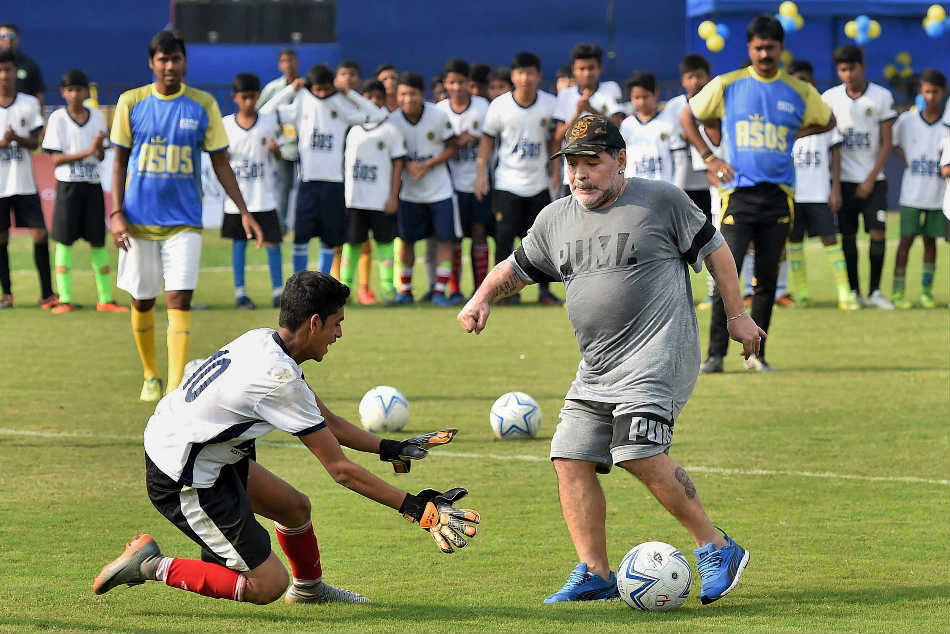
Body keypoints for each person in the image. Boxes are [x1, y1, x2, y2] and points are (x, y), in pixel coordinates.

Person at [457, 114, 757, 605]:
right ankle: (595, 572)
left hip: (658, 357)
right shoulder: (556, 218)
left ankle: (717, 546)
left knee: (638, 450)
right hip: (596, 369)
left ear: (621, 161)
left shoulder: (660, 199)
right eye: (572, 164)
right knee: (569, 456)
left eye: (591, 163)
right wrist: (482, 297)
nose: (579, 175)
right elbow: (519, 266)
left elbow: (718, 252)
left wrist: (739, 317)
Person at [92, 270, 479, 605]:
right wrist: (418, 510)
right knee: (267, 585)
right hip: (182, 473)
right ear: (314, 323)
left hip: (202, 449)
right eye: (336, 323)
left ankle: (308, 590)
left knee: (294, 508)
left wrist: (388, 447)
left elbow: (326, 420)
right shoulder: (278, 380)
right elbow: (341, 471)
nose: (339, 333)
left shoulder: (265, 342)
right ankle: (149, 564)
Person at [109, 31, 263, 402]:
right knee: (143, 300)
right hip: (138, 222)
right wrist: (116, 213)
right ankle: (150, 375)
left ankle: (175, 390)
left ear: (184, 62)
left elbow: (221, 162)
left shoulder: (202, 104)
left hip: (185, 222)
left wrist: (244, 210)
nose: (169, 66)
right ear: (152, 63)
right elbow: (118, 161)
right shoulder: (131, 102)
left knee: (179, 300)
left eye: (175, 58)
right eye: (162, 59)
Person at [681, 15, 834, 373]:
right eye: (758, 47)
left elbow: (828, 121)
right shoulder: (729, 84)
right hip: (738, 194)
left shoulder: (798, 90)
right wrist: (709, 156)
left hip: (779, 196)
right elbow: (687, 117)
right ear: (750, 48)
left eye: (770, 47)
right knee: (726, 274)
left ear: (780, 48)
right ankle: (715, 356)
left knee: (766, 280)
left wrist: (796, 132)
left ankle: (755, 356)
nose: (764, 53)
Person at [259, 64, 385, 276]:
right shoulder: (302, 100)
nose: (322, 94)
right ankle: (298, 282)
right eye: (317, 89)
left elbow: (376, 116)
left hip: (334, 183)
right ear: (310, 87)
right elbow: (264, 111)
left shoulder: (340, 103)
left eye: (327, 89)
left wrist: (350, 93)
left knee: (331, 239)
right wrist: (292, 89)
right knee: (301, 239)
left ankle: (324, 283)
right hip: (308, 182)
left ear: (333, 87)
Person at [475, 51, 562, 306]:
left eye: (530, 73)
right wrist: (481, 173)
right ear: (513, 76)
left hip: (538, 183)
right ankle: (502, 294)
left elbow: (552, 142)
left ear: (538, 76)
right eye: (521, 73)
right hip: (507, 182)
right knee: (504, 238)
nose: (525, 78)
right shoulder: (499, 105)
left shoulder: (549, 104)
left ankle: (545, 291)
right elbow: (488, 140)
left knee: (543, 239)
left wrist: (555, 173)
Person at [41, 69, 127, 314]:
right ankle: (65, 298)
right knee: (64, 242)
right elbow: (55, 159)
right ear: (63, 93)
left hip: (92, 186)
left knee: (98, 242)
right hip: (68, 186)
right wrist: (89, 150)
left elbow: (101, 155)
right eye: (70, 90)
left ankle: (106, 298)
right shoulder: (58, 118)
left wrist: (97, 149)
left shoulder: (98, 117)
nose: (75, 94)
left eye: (79, 89)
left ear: (86, 91)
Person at [822, 45, 897, 309]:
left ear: (862, 67)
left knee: (878, 232)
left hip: (874, 181)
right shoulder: (829, 98)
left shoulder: (881, 97)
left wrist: (869, 179)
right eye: (843, 69)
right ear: (838, 71)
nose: (848, 74)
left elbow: (887, 144)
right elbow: (827, 142)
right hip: (842, 183)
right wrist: (834, 187)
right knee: (848, 236)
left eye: (852, 68)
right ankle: (853, 291)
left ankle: (875, 291)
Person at [781, 60, 855, 310]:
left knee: (830, 240)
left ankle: (845, 292)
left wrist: (835, 188)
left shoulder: (823, 111)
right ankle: (802, 293)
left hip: (819, 192)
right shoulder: (784, 113)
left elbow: (835, 153)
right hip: (792, 193)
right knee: (795, 243)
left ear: (813, 82)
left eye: (806, 79)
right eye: (797, 79)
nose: (802, 83)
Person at [386, 71, 459, 306]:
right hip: (408, 192)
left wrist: (427, 165)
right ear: (397, 96)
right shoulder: (392, 121)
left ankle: (439, 291)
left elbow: (452, 147)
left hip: (440, 190)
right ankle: (405, 291)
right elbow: (389, 155)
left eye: (413, 94)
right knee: (406, 241)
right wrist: (408, 165)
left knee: (445, 240)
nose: (408, 99)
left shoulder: (437, 116)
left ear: (422, 94)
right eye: (404, 94)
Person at [222, 73, 285, 310]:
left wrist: (275, 150)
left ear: (258, 96)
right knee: (239, 244)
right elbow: (219, 159)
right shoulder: (226, 124)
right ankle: (241, 293)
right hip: (237, 200)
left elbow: (279, 157)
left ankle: (278, 291)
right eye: (243, 97)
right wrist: (223, 156)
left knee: (273, 244)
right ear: (235, 97)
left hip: (264, 196)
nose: (248, 102)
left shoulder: (268, 121)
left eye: (252, 97)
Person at [341, 79, 406, 304]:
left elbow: (399, 164)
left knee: (386, 244)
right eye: (369, 98)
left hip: (381, 201)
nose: (374, 102)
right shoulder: (351, 129)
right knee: (352, 244)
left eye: (378, 98)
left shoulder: (390, 130)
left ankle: (388, 291)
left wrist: (393, 196)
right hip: (354, 200)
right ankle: (344, 292)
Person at [0, 49, 55, 310]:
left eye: (8, 70)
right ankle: (7, 295)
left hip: (24, 182)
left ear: (15, 72)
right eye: (0, 70)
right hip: (0, 184)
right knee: (1, 239)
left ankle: (47, 294)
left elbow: (36, 142)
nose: (4, 75)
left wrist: (17, 139)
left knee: (40, 235)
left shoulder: (28, 103)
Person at [890, 68, 949, 309]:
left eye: (935, 92)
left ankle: (926, 291)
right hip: (912, 193)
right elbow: (892, 144)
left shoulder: (947, 125)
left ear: (943, 92)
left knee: (930, 243)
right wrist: (906, 157)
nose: (930, 96)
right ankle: (898, 291)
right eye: (926, 91)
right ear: (920, 92)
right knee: (905, 241)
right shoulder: (907, 120)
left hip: (937, 195)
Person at [438, 58, 491, 297]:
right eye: (452, 82)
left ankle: (481, 287)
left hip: (478, 182)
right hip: (451, 184)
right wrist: (454, 142)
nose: (457, 87)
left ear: (469, 83)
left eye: (461, 82)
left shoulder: (482, 106)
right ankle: (455, 288)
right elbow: (436, 144)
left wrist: (476, 138)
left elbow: (493, 138)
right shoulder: (439, 111)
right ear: (445, 85)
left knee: (479, 232)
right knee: (455, 236)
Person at [552, 43, 624, 198]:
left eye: (591, 68)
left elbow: (617, 126)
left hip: (605, 171)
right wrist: (577, 113)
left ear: (600, 68)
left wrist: (591, 109)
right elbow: (558, 137)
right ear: (574, 70)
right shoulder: (565, 96)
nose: (587, 73)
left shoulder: (611, 89)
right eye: (581, 69)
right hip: (574, 174)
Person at [257, 48, 300, 236]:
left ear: (297, 62)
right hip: (283, 147)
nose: (288, 64)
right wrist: (275, 128)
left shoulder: (307, 87)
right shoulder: (273, 88)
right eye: (284, 61)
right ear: (279, 65)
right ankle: (280, 226)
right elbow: (260, 112)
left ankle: (301, 225)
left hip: (305, 146)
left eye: (291, 60)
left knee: (304, 189)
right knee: (283, 187)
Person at [619, 72, 677, 183]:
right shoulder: (626, 125)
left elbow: (679, 160)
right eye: (637, 97)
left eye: (645, 97)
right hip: (635, 190)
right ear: (631, 97)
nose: (641, 102)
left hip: (663, 189)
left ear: (655, 94)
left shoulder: (668, 122)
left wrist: (678, 190)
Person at [0, 24, 45, 106]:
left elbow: (39, 93)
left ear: (17, 38)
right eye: (3, 36)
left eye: (11, 35)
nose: (8, 39)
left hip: (23, 113)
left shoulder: (29, 64)